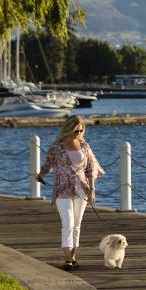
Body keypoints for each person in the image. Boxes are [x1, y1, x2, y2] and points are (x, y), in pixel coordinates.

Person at [37, 115, 104, 270]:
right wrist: (40, 174)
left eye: (81, 130)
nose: (78, 133)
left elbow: (91, 168)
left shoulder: (84, 145)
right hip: (62, 188)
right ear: (68, 129)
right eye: (76, 131)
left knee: (77, 225)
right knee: (68, 223)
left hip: (81, 187)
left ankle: (73, 257)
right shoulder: (57, 146)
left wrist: (92, 190)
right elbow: (48, 163)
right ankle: (67, 259)